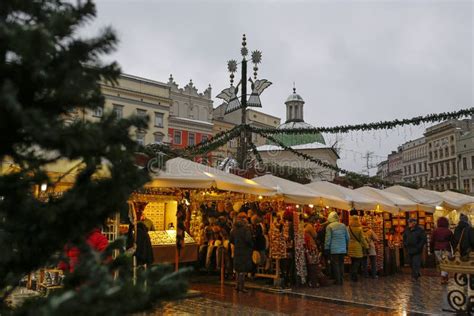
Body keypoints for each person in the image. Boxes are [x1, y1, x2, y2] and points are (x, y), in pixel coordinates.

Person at [230, 212, 254, 293]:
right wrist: (251, 245)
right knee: (243, 270)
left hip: (237, 250)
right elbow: (248, 239)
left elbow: (231, 240)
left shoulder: (234, 228)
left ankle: (237, 286)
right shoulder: (246, 228)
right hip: (245, 250)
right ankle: (242, 287)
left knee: (237, 269)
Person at [324, 211, 349, 286]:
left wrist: (326, 248)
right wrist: (346, 246)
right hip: (342, 249)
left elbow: (328, 239)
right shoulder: (343, 226)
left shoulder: (329, 227)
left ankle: (338, 281)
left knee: (336, 265)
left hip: (334, 250)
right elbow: (347, 237)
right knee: (341, 264)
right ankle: (341, 279)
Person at [431, 217, 453, 284]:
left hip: (437, 249)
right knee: (445, 264)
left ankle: (444, 278)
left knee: (441, 263)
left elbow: (432, 241)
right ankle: (444, 278)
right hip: (446, 249)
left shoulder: (435, 231)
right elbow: (452, 241)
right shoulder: (448, 231)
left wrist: (432, 250)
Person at [348, 215, 368, 282]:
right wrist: (366, 246)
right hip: (357, 247)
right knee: (357, 261)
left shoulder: (349, 228)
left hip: (350, 246)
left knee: (353, 261)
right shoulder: (359, 229)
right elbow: (362, 239)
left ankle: (351, 276)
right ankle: (354, 276)